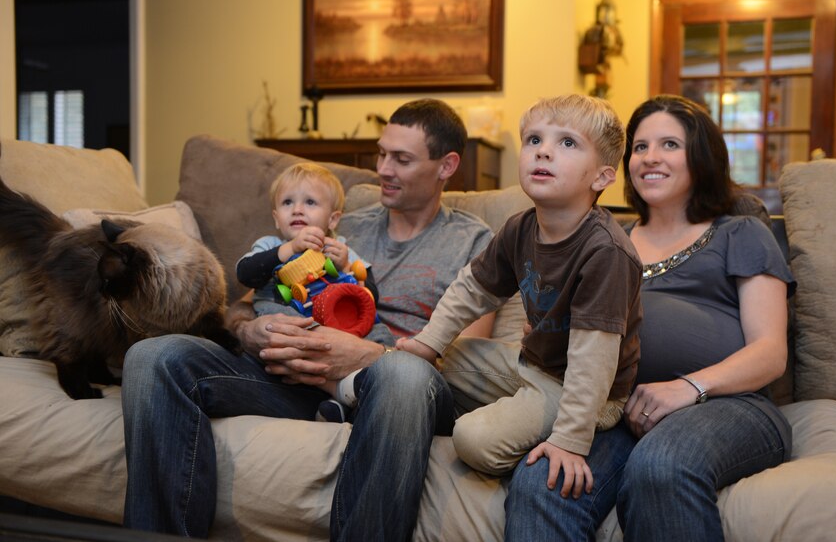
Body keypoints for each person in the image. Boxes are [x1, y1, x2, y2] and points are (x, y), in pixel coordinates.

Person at [120, 98, 495, 541]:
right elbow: (244, 303)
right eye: (381, 154)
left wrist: (369, 355)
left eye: (402, 159)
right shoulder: (335, 225)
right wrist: (249, 330)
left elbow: (466, 366)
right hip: (297, 379)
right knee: (154, 357)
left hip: (398, 391)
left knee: (402, 375)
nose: (383, 169)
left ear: (446, 165)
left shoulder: (474, 242)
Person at [504, 94, 795, 542]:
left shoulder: (741, 232)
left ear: (702, 157)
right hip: (617, 411)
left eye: (669, 145)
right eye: (640, 147)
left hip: (728, 406)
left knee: (661, 464)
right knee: (543, 480)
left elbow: (771, 352)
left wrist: (687, 388)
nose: (650, 158)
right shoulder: (601, 240)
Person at [397, 95, 642, 500]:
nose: (543, 150)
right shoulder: (520, 227)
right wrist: (428, 343)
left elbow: (593, 360)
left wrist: (570, 439)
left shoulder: (606, 252)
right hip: (530, 365)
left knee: (472, 439)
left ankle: (514, 424)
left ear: (602, 177)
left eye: (567, 143)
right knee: (414, 366)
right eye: (534, 140)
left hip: (587, 394)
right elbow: (473, 289)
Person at [235, 161, 392, 422]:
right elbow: (245, 273)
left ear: (333, 219)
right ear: (276, 217)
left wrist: (345, 267)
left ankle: (339, 403)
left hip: (337, 325)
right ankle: (338, 394)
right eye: (287, 202)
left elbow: (371, 297)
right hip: (288, 317)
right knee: (284, 324)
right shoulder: (271, 244)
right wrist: (289, 249)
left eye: (310, 202)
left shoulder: (339, 249)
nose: (297, 209)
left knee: (379, 332)